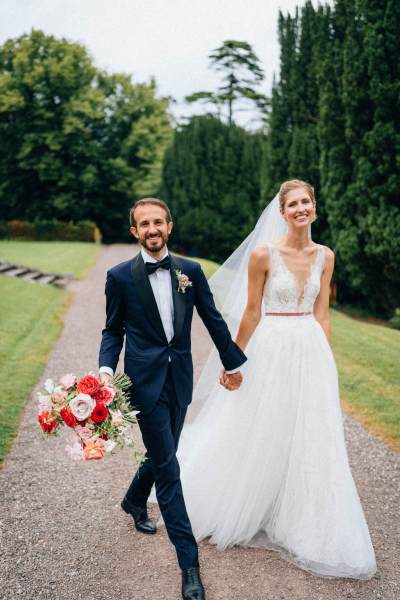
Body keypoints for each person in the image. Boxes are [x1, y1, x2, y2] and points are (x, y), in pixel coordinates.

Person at [177, 180, 377, 579]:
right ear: (282, 212)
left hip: (310, 348)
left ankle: (299, 513)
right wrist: (233, 362)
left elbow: (322, 314)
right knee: (260, 423)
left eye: (307, 202)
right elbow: (251, 312)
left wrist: (328, 360)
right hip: (270, 346)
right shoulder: (264, 254)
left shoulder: (326, 256)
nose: (301, 208)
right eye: (294, 204)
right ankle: (245, 501)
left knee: (308, 432)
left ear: (314, 208)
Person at [98, 197, 246, 600]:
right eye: (144, 224)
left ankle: (132, 500)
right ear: (134, 231)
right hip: (143, 386)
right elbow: (112, 332)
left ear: (169, 226)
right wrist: (106, 374)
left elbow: (212, 320)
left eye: (158, 222)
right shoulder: (120, 277)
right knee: (169, 468)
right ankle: (189, 564)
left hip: (180, 380)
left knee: (166, 449)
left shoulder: (191, 272)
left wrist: (232, 363)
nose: (152, 229)